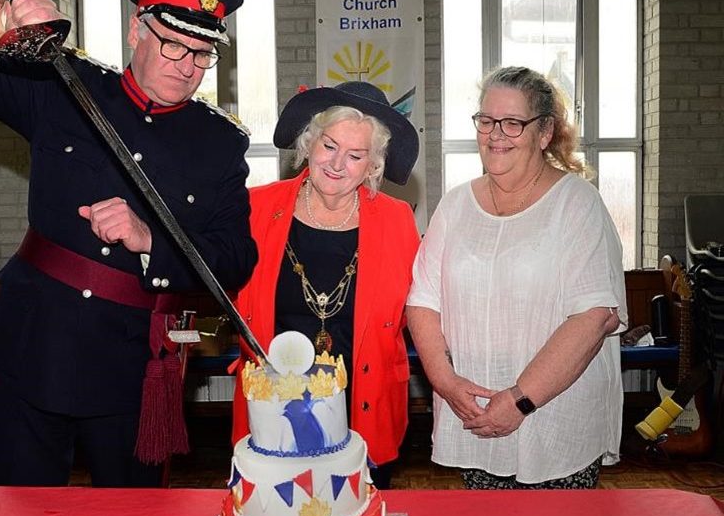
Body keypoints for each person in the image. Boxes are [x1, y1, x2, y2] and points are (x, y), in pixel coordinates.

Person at [0, 0, 258, 487]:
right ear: (136, 31)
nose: (187, 67)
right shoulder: (64, 84)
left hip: (133, 364)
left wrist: (151, 242)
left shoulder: (219, 143)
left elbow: (235, 256)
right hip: (37, 345)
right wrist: (0, 23)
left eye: (202, 53)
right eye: (172, 46)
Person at [407, 65, 627, 489]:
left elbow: (595, 316)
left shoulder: (577, 205)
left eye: (512, 123)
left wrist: (520, 400)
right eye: (486, 121)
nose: (495, 135)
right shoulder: (455, 206)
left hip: (554, 423)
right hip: (476, 419)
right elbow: (423, 300)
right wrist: (446, 382)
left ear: (544, 133)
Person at [230, 81, 421, 489]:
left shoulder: (397, 219)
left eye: (355, 155)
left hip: (364, 407)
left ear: (373, 165)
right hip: (273, 412)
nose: (337, 164)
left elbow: (418, 310)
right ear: (308, 144)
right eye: (329, 146)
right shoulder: (256, 209)